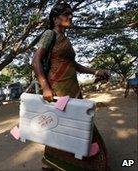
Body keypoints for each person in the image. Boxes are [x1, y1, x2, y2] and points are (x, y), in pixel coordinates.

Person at [32, 3, 110, 171]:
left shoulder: (66, 39)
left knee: (77, 125)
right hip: (58, 90)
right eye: (66, 14)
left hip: (72, 88)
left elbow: (73, 64)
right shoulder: (49, 34)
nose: (70, 17)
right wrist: (45, 87)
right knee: (64, 126)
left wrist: (95, 71)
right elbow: (36, 60)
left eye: (71, 14)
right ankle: (56, 162)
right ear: (55, 18)